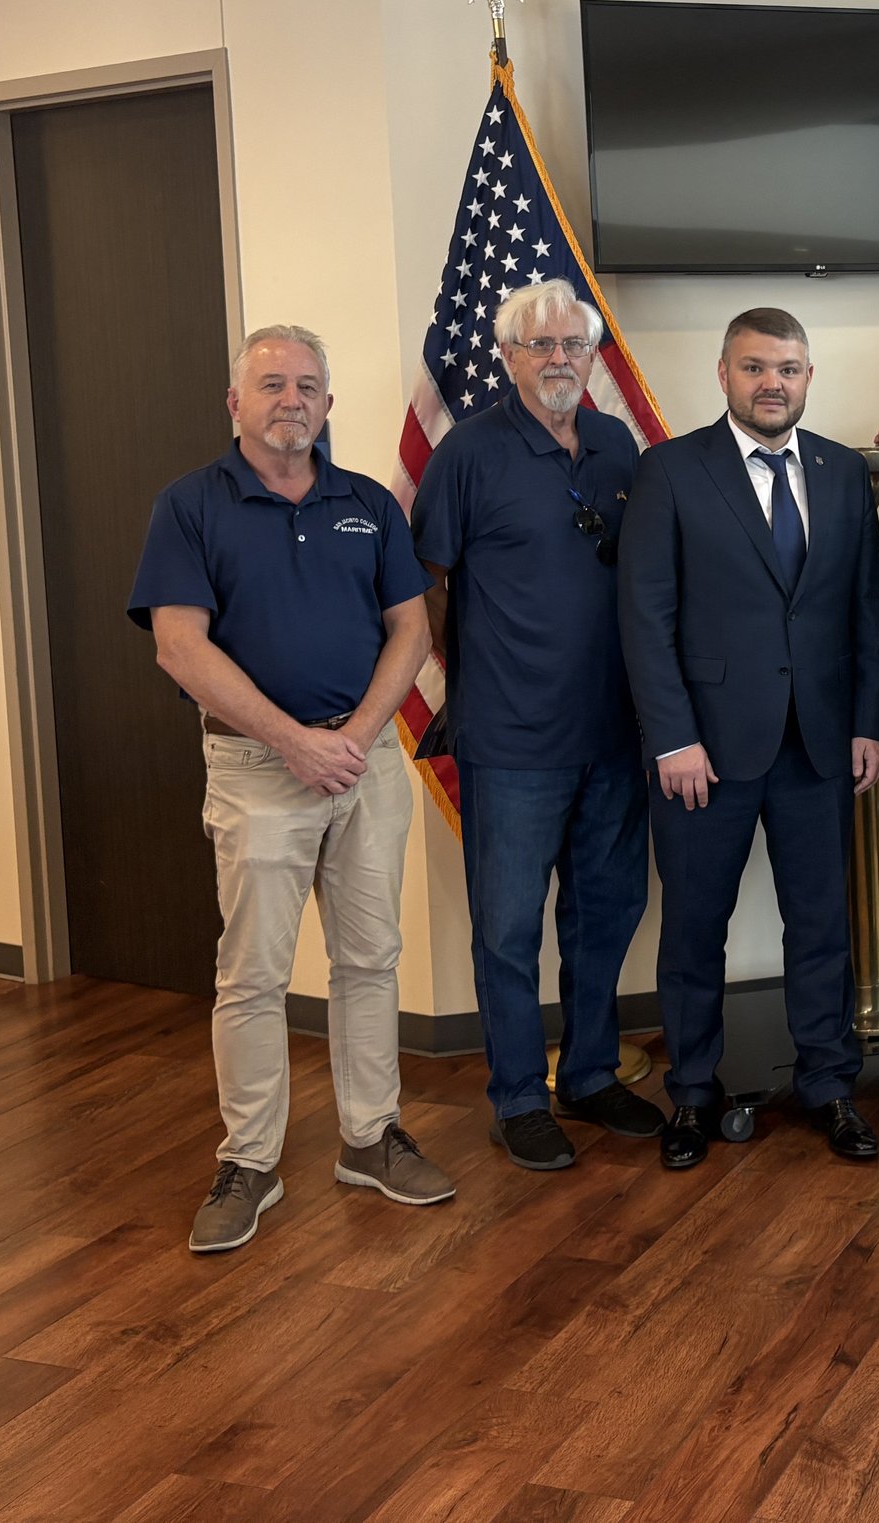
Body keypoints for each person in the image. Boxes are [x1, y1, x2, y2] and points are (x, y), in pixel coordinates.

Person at [130, 323, 453, 1254]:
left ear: (327, 403)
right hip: (255, 769)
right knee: (254, 972)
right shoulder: (189, 505)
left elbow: (410, 630)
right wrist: (293, 743)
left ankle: (370, 1137)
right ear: (236, 402)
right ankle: (249, 1161)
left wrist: (349, 739)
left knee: (369, 958)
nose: (292, 400)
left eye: (308, 385)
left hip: (364, 766)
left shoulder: (366, 505)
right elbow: (178, 645)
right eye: (272, 384)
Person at [618, 308, 879, 1169]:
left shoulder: (845, 473)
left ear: (808, 377)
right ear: (724, 374)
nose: (772, 382)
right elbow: (645, 614)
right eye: (754, 367)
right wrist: (672, 738)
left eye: (789, 368)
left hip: (818, 746)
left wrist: (866, 724)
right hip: (705, 752)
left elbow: (866, 614)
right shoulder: (668, 471)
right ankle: (692, 1092)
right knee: (697, 927)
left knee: (822, 925)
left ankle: (829, 1083)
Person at [411, 281, 669, 1172]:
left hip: (613, 734)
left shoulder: (613, 445)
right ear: (509, 356)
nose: (559, 358)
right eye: (541, 345)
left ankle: (590, 1075)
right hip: (512, 742)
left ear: (592, 355)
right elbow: (427, 580)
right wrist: (471, 679)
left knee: (605, 916)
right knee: (509, 927)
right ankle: (518, 1095)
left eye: (573, 344)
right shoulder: (468, 453)